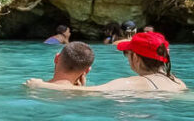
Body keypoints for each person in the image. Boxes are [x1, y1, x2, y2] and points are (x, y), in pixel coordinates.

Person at [48, 32, 186, 93]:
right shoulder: (177, 82)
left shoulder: (133, 83)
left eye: (127, 53)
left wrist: (38, 84)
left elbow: (89, 93)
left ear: (136, 58)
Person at [24, 42, 95, 89]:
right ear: (87, 70)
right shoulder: (89, 94)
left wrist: (39, 84)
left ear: (56, 58)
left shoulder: (31, 87)